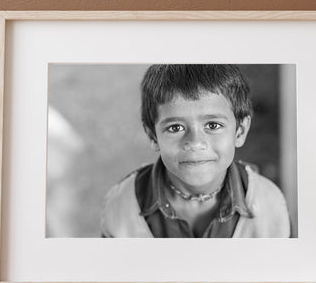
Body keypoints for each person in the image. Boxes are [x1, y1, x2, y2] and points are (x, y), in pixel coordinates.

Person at [101, 64, 290, 238]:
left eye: (213, 125)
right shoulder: (121, 205)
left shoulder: (270, 205)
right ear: (153, 136)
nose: (195, 142)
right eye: (175, 128)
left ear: (240, 131)